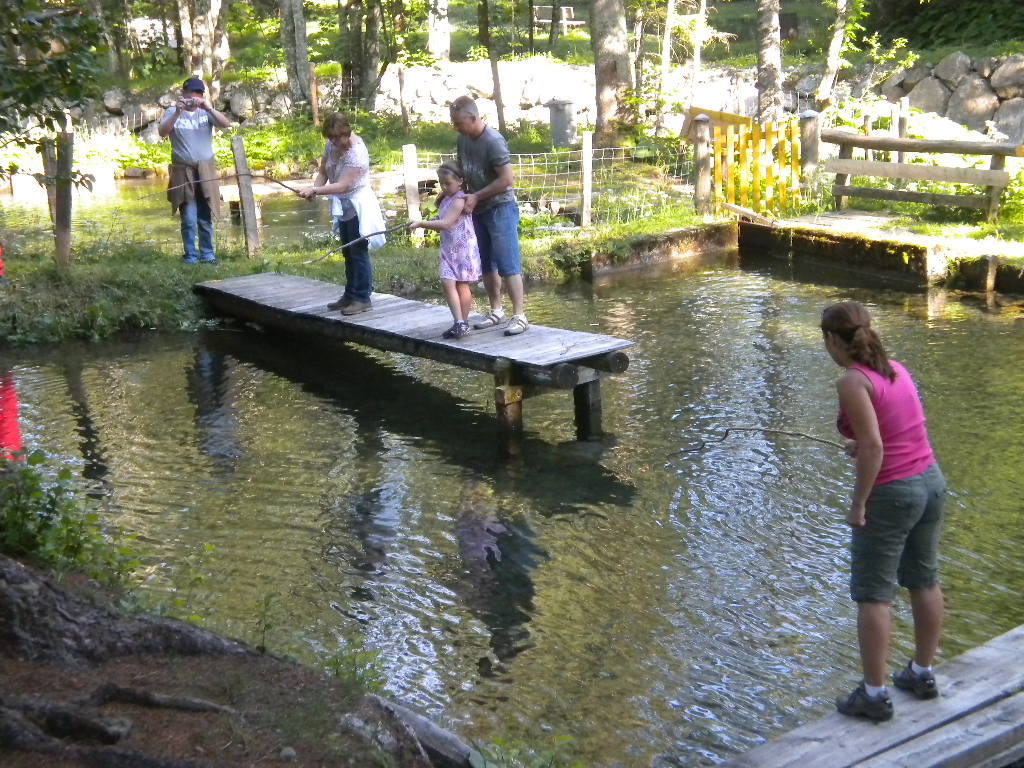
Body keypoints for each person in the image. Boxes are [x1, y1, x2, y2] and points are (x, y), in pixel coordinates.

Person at [822, 301, 947, 723]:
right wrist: (863, 446)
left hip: (893, 493)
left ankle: (874, 696)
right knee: (924, 579)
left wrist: (858, 503)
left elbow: (875, 447)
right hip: (930, 482)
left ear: (832, 340)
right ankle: (921, 673)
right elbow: (897, 431)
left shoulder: (852, 382)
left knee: (874, 593)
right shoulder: (896, 369)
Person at [449, 95, 529, 336]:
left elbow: (506, 180)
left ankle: (520, 315)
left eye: (459, 123)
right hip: (478, 208)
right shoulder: (462, 139)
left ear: (473, 118)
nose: (456, 127)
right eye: (454, 123)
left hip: (500, 208)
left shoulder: (493, 141)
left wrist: (477, 196)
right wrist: (452, 193)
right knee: (486, 262)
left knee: (508, 262)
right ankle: (496, 311)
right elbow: (463, 171)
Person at [299, 113, 386, 316]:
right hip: (344, 204)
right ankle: (350, 294)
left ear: (347, 132)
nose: (335, 142)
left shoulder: (357, 154)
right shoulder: (331, 146)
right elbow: (323, 172)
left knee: (358, 251)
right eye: (331, 138)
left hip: (358, 204)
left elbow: (343, 185)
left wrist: (316, 191)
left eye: (338, 137)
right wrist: (315, 188)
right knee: (347, 252)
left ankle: (363, 298)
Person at [158, 77, 232, 264]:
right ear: (183, 95)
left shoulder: (206, 112)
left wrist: (207, 107)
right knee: (189, 217)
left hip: (205, 170)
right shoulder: (172, 112)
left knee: (205, 215)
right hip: (183, 172)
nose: (193, 98)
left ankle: (208, 255)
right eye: (190, 94)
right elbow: (162, 132)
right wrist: (177, 112)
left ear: (202, 95)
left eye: (197, 94)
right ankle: (190, 256)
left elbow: (226, 124)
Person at [408, 162, 482, 339]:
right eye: (441, 183)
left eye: (448, 183)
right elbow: (442, 217)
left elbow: (447, 224)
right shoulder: (446, 198)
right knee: (447, 282)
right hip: (448, 249)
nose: (444, 187)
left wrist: (421, 223)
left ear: (460, 181)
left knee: (461, 285)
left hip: (463, 249)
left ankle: (462, 323)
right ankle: (459, 323)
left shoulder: (459, 200)